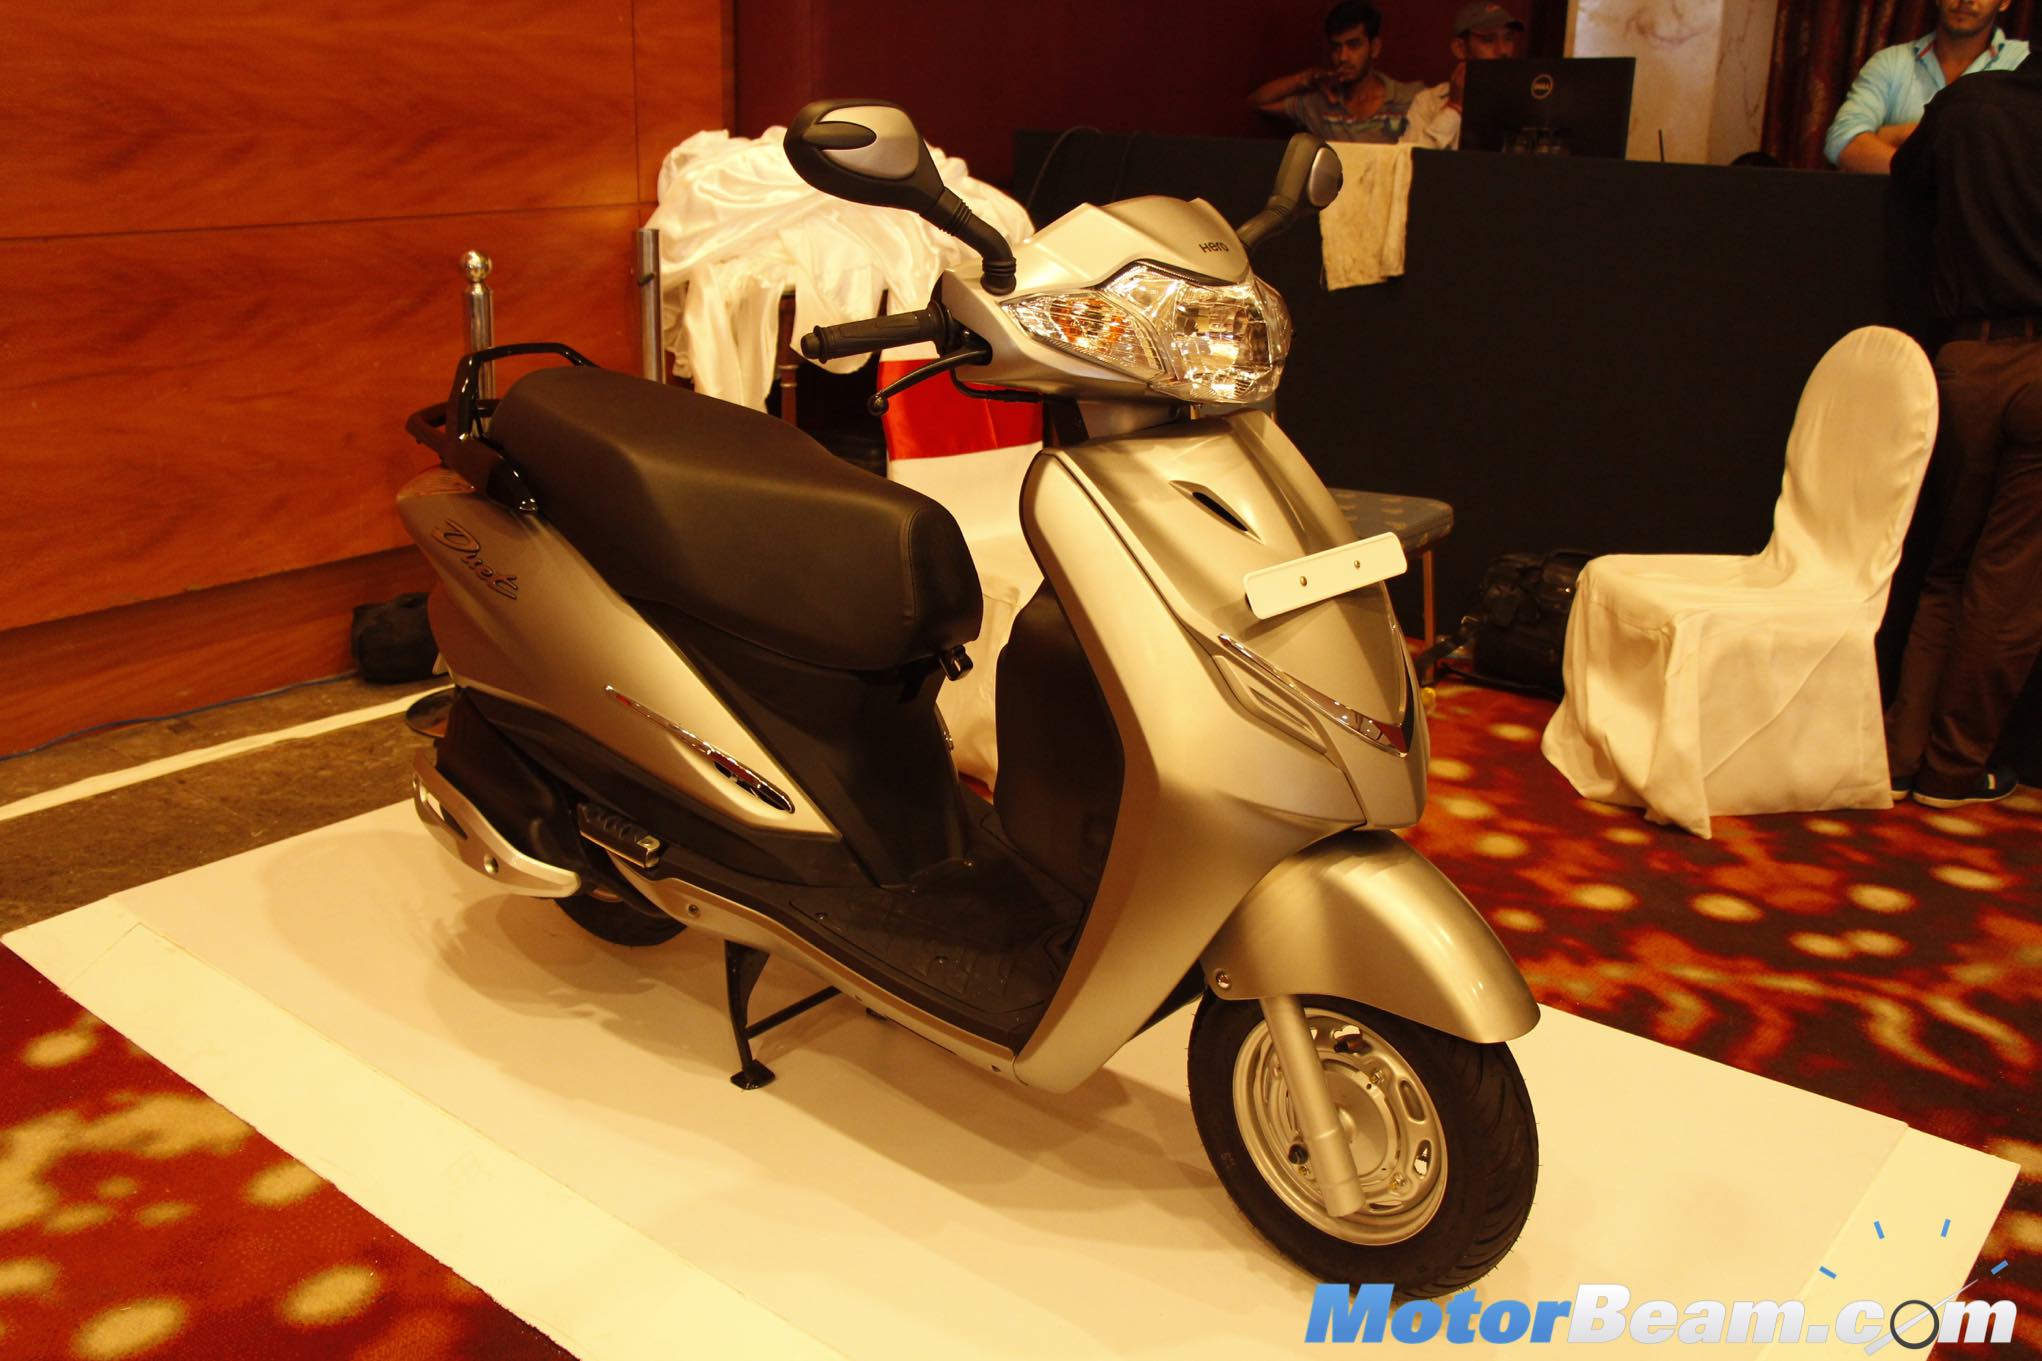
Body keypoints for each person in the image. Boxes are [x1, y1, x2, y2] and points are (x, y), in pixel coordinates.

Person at [1882, 62, 2042, 808]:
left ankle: (1901, 754)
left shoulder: (1969, 103)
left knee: (1943, 566)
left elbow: (1905, 173)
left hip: (1965, 360)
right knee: (2008, 586)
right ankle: (1954, 768)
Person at [1823, 0, 2028, 174]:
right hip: (1897, 210)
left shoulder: (2025, 64)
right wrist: (1944, 177)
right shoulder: (1891, 62)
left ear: (2004, 2)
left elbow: (2023, 158)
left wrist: (1896, 135)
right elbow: (1842, 144)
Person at [1249, 1, 1425, 144]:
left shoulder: (1410, 99)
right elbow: (1258, 102)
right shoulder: (1320, 103)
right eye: (1336, 47)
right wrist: (1305, 77)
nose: (1343, 57)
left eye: (1354, 45)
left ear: (1375, 47)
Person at [1400, 2, 1525, 151]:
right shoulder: (1428, 102)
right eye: (1488, 40)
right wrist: (1454, 108)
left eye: (1508, 39)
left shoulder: (1526, 99)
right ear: (1460, 48)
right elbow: (1409, 161)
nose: (1503, 50)